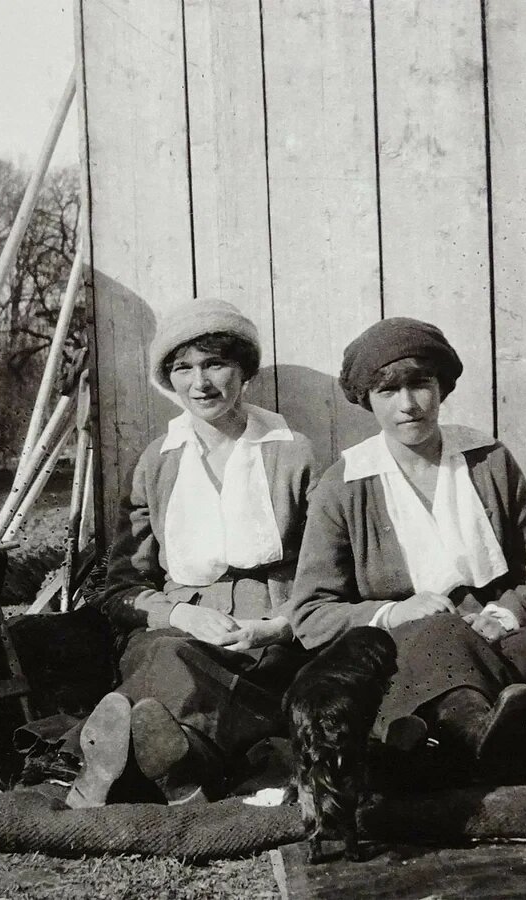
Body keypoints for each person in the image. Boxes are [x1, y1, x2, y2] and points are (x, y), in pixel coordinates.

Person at [288, 318, 526, 776]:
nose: (408, 406)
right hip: (403, 652)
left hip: (494, 635)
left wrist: (502, 615)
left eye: (420, 384)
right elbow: (310, 614)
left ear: (442, 387)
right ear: (367, 401)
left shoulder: (490, 462)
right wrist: (393, 614)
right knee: (441, 636)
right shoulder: (344, 484)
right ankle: (479, 735)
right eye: (388, 392)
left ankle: (458, 742)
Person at [63, 299, 318, 807]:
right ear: (170, 380)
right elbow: (120, 589)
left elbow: (328, 576)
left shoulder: (293, 452)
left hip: (267, 645)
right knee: (167, 653)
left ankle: (145, 763)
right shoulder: (157, 462)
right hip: (177, 636)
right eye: (183, 368)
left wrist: (275, 625)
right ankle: (173, 764)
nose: (200, 383)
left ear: (245, 370)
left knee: (184, 683)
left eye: (215, 364)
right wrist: (178, 614)